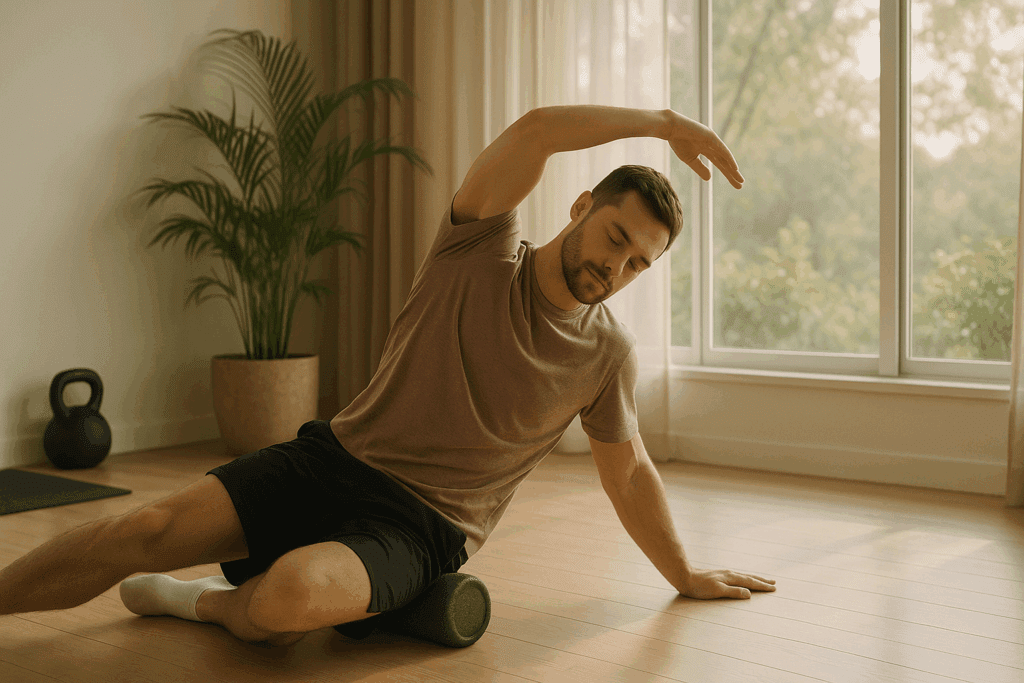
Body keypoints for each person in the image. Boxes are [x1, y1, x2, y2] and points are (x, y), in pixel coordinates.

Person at [0, 104, 774, 647]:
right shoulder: (478, 249)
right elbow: (535, 131)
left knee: (289, 598)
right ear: (579, 206)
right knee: (144, 528)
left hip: (421, 527)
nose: (616, 265)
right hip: (330, 458)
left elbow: (630, 472)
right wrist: (665, 125)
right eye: (614, 237)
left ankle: (203, 601)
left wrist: (686, 572)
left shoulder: (607, 355)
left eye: (639, 262)